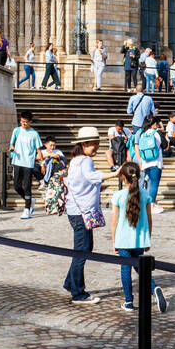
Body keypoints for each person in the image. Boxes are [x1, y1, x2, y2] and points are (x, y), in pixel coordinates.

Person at [109, 161, 167, 314]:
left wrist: (114, 241)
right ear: (139, 176)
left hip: (123, 240)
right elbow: (149, 219)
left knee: (126, 269)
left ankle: (128, 301)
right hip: (140, 240)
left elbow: (113, 222)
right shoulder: (146, 195)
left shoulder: (118, 195)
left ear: (123, 177)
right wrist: (148, 239)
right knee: (140, 267)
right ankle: (154, 289)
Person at [63, 125, 112, 305]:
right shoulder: (85, 161)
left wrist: (98, 186)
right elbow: (92, 177)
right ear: (84, 144)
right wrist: (115, 173)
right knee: (82, 251)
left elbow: (81, 183)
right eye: (94, 144)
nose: (96, 147)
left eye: (97, 144)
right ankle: (78, 293)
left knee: (85, 248)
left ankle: (70, 282)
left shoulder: (75, 160)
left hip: (75, 211)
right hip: (81, 213)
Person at [129, 115, 166, 217]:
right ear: (153, 123)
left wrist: (140, 162)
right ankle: (152, 205)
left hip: (145, 163)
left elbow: (139, 148)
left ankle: (147, 204)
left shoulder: (142, 134)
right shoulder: (156, 133)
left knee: (148, 183)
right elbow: (165, 146)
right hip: (156, 163)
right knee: (154, 184)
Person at [10, 110, 42, 219]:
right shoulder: (16, 131)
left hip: (28, 162)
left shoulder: (34, 134)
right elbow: (12, 144)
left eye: (26, 122)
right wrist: (12, 148)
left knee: (27, 186)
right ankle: (30, 200)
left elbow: (39, 150)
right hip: (17, 161)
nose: (23, 124)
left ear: (30, 122)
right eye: (22, 121)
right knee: (17, 186)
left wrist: (41, 161)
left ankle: (27, 209)